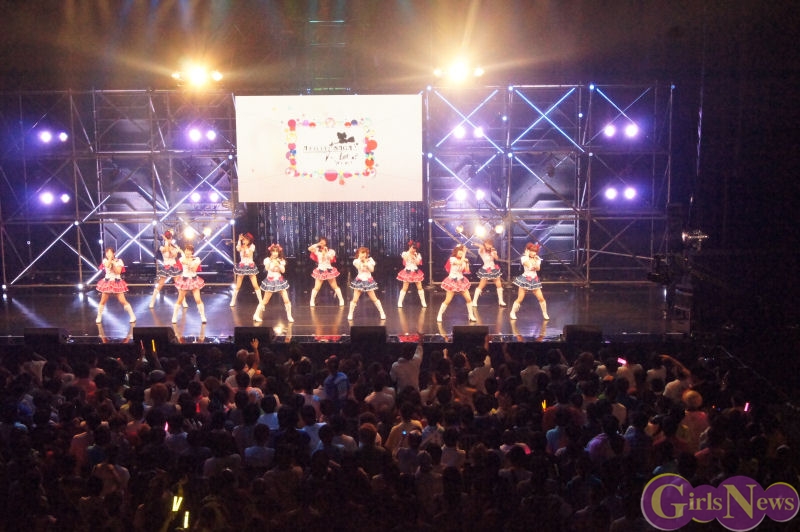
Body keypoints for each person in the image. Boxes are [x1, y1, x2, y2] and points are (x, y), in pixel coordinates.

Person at [253, 243, 293, 323]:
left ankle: (289, 316)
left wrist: (278, 264)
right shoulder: (267, 260)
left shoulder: (281, 260)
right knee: (265, 301)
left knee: (286, 300)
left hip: (279, 281)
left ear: (278, 252)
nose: (275, 253)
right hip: (270, 281)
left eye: (276, 251)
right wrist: (271, 261)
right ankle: (256, 315)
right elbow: (266, 269)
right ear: (270, 252)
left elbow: (283, 271)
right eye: (273, 251)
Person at [95, 247, 136, 323]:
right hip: (107, 282)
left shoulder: (119, 261)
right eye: (107, 253)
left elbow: (118, 272)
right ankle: (99, 316)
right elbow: (107, 265)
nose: (108, 254)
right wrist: (110, 260)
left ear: (114, 253)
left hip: (117, 282)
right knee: (102, 301)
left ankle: (132, 316)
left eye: (110, 252)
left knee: (123, 301)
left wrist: (113, 264)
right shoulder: (105, 260)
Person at [436, 244, 476, 322]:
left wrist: (467, 263)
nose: (461, 253)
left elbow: (467, 271)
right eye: (459, 251)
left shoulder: (463, 260)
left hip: (461, 281)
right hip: (452, 281)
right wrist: (464, 255)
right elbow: (459, 263)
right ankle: (439, 314)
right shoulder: (452, 259)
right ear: (456, 252)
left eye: (462, 251)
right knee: (448, 300)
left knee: (468, 299)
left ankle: (471, 315)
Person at [510, 242, 549, 320]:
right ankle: (512, 312)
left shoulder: (537, 258)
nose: (534, 253)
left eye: (535, 251)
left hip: (534, 279)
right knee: (520, 298)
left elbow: (538, 268)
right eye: (532, 251)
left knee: (541, 298)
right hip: (525, 279)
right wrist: (527, 256)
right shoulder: (524, 258)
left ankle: (545, 313)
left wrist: (536, 264)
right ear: (528, 250)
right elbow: (529, 266)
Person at [149, 230, 188, 309]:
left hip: (174, 266)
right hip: (166, 266)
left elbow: (173, 255)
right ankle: (152, 301)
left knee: (178, 284)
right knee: (160, 284)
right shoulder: (162, 247)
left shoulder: (175, 247)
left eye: (169, 237)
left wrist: (169, 243)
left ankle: (183, 301)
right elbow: (165, 251)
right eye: (167, 237)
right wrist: (167, 242)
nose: (169, 239)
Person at [348, 246, 386, 320]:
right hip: (359, 281)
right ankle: (350, 314)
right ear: (358, 254)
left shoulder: (370, 260)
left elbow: (372, 270)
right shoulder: (356, 261)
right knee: (355, 299)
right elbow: (359, 267)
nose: (363, 254)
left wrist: (366, 263)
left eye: (364, 253)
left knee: (374, 298)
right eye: (361, 253)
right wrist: (361, 260)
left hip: (368, 281)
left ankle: (382, 313)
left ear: (366, 253)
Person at [172, 243, 206, 323]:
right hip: (185, 280)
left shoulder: (196, 259)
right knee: (180, 300)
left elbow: (194, 269)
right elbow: (183, 260)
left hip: (194, 280)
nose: (187, 252)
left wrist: (191, 264)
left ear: (192, 252)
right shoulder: (182, 259)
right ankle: (174, 317)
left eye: (189, 250)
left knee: (198, 299)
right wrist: (182, 254)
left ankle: (203, 316)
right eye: (186, 250)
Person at [307, 237, 345, 307]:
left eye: (324, 241)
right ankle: (312, 300)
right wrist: (317, 244)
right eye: (321, 241)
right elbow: (309, 248)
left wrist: (326, 252)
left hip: (329, 270)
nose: (322, 243)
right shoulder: (317, 250)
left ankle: (341, 299)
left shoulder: (331, 251)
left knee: (334, 286)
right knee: (317, 287)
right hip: (320, 270)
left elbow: (331, 258)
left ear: (326, 242)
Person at [472, 238, 507, 307]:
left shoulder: (493, 250)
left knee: (499, 284)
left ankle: (501, 301)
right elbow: (481, 247)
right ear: (485, 244)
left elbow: (496, 258)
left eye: (490, 244)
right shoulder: (482, 250)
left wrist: (494, 253)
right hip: (486, 269)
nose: (489, 245)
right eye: (488, 244)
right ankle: (474, 301)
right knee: (481, 285)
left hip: (493, 268)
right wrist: (479, 245)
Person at [230, 232, 262, 307]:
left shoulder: (252, 246)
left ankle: (261, 301)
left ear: (250, 240)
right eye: (244, 239)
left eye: (247, 239)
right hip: (242, 265)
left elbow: (248, 254)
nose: (245, 241)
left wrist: (245, 247)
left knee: (255, 285)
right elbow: (238, 249)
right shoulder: (240, 246)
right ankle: (233, 301)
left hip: (250, 265)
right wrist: (239, 240)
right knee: (238, 285)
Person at [396, 240, 427, 308]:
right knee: (405, 287)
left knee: (420, 287)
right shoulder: (405, 253)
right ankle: (399, 302)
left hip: (415, 271)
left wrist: (415, 257)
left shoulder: (417, 254)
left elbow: (418, 263)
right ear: (409, 247)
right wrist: (409, 252)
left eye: (415, 248)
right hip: (408, 271)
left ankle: (423, 302)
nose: (414, 249)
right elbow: (405, 259)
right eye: (413, 248)